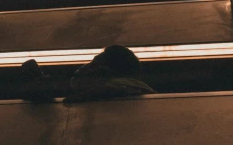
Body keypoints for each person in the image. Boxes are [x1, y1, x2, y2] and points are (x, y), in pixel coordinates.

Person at [21, 44, 155, 103]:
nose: (83, 68)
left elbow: (116, 89)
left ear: (103, 71)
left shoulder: (124, 87)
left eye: (92, 63)